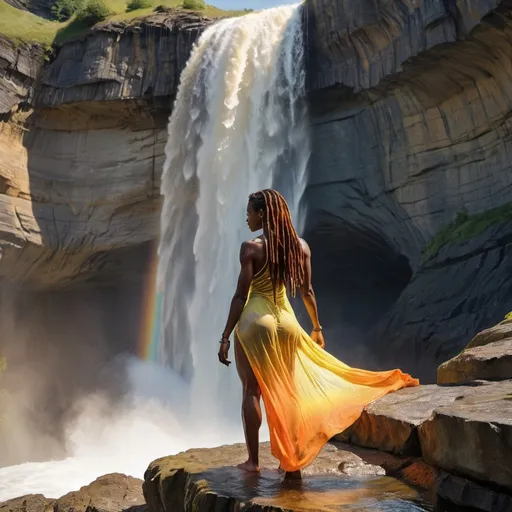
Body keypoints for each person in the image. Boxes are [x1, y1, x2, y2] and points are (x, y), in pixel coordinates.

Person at [218, 189, 419, 477]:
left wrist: (225, 336)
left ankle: (253, 462)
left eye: (249, 212)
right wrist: (316, 328)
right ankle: (292, 463)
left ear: (262, 215)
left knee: (252, 391)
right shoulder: (300, 247)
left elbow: (241, 295)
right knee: (289, 392)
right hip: (287, 324)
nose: (246, 217)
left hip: (255, 320)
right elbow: (308, 292)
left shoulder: (251, 248)